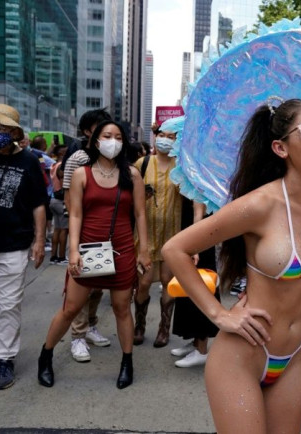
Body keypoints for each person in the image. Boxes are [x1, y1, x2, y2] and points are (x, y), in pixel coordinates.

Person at [162, 98, 301, 432]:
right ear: (281, 148)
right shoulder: (260, 205)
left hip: (296, 355)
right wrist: (218, 315)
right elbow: (176, 250)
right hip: (242, 357)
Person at [37, 120, 150, 389]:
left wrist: (143, 250)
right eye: (107, 135)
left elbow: (140, 213)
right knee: (71, 309)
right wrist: (73, 250)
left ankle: (127, 363)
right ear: (96, 140)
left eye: (118, 136)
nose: (113, 140)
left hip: (121, 250)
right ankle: (46, 356)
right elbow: (75, 214)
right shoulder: (81, 174)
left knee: (123, 308)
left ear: (124, 142)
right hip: (88, 249)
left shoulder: (132, 174)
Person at [0, 104, 48, 390]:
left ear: (14, 133)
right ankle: (0, 337)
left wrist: (38, 241)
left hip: (14, 244)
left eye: (0, 129)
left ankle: (4, 359)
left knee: (8, 304)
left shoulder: (30, 162)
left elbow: (38, 205)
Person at [62, 108, 114, 362]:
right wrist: (76, 240)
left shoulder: (113, 161)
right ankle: (78, 337)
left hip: (108, 235)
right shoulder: (79, 158)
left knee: (97, 288)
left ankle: (90, 326)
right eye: (100, 128)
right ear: (87, 131)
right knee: (81, 286)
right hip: (85, 235)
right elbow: (69, 201)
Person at [132, 119, 190, 347]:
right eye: (162, 135)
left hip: (172, 234)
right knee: (144, 282)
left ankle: (164, 329)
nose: (165, 139)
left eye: (171, 136)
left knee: (168, 281)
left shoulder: (183, 167)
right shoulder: (142, 163)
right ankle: (140, 325)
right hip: (145, 236)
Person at [170, 200, 219, 368]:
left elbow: (199, 212)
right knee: (188, 291)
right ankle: (195, 342)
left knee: (200, 290)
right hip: (195, 236)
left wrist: (194, 246)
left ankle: (202, 350)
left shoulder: (197, 174)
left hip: (199, 241)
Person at [49, 144, 69, 264]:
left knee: (57, 228)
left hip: (53, 200)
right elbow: (63, 183)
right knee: (64, 230)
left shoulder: (54, 165)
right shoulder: (62, 166)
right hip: (62, 201)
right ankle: (61, 257)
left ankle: (53, 256)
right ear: (62, 153)